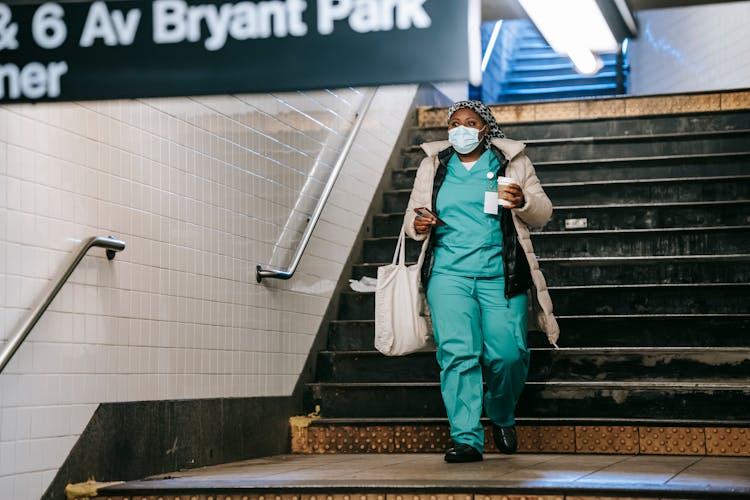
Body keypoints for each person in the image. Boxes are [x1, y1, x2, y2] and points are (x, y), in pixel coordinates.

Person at [403, 100, 559, 463]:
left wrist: (522, 201)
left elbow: (543, 212)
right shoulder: (434, 165)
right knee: (458, 355)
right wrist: (418, 225)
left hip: (501, 274)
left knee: (508, 355)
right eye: (454, 123)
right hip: (448, 274)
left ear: (485, 128)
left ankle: (502, 414)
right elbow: (412, 217)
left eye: (470, 122)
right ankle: (466, 438)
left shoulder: (510, 162)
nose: (461, 129)